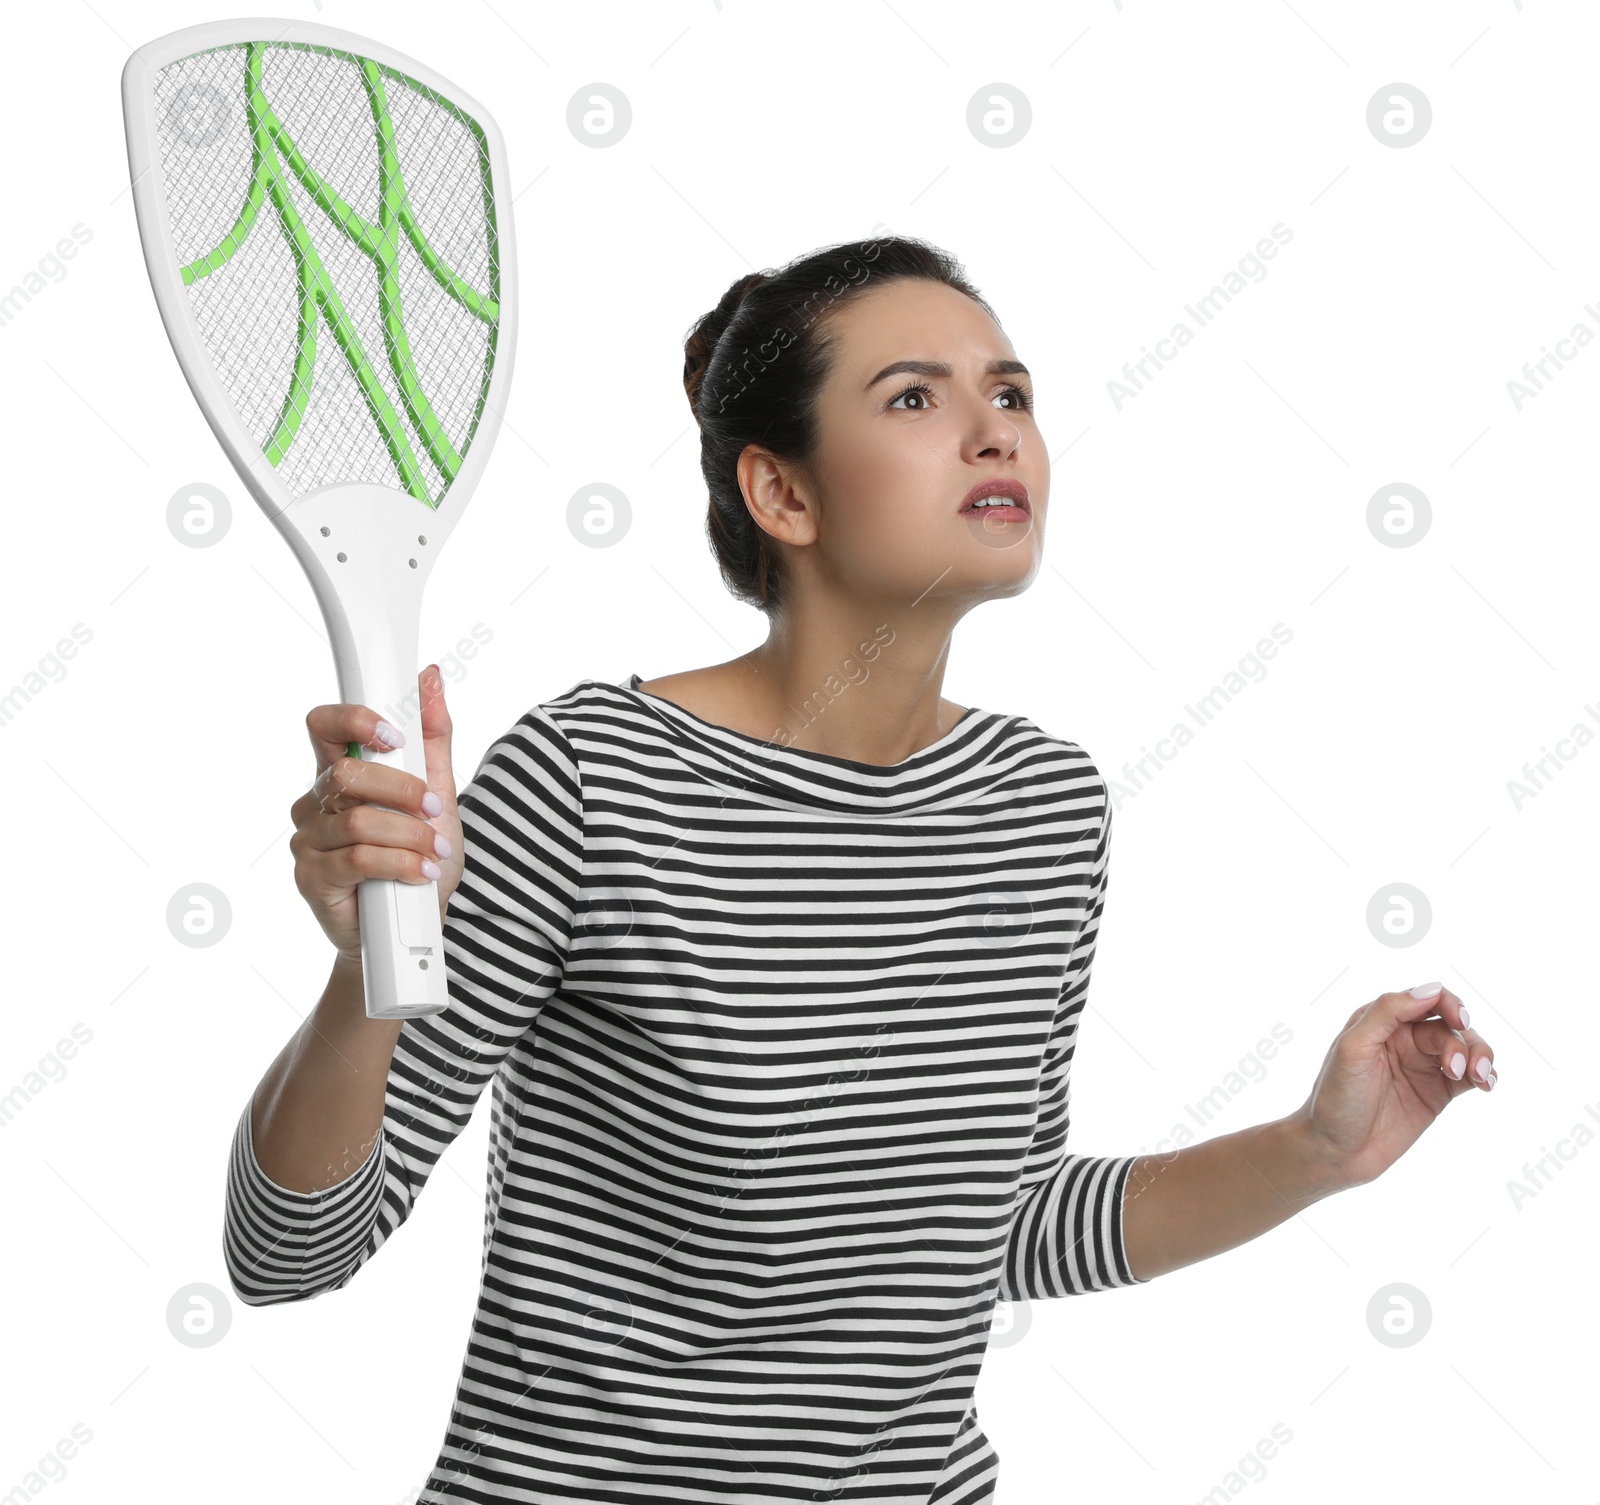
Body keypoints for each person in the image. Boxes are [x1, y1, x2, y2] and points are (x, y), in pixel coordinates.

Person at [224, 234, 1498, 1504]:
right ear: (782, 496)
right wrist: (360, 970)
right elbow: (291, 1251)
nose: (995, 433)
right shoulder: (591, 778)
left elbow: (1002, 1226)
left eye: (1009, 394)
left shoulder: (1043, 807)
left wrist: (1315, 1151)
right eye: (913, 399)